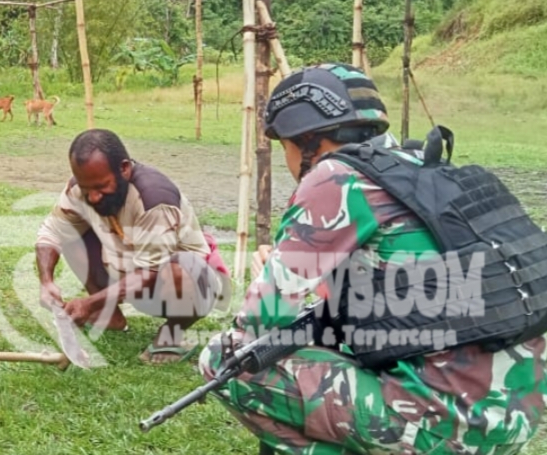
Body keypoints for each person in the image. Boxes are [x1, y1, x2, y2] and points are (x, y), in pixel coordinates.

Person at [198, 63, 547, 454]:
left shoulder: (336, 177)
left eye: (285, 147)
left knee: (225, 359)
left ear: (307, 139)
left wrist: (271, 275)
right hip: (514, 418)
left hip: (447, 429)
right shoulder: (420, 169)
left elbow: (260, 322)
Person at [35, 129, 231, 364]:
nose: (93, 197)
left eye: (101, 186)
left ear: (124, 169)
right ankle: (109, 315)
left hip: (176, 287)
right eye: (87, 189)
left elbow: (150, 272)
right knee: (70, 232)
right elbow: (51, 233)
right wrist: (46, 281)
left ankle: (172, 333)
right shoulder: (80, 188)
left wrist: (89, 303)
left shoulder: (154, 198)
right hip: (127, 273)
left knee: (184, 269)